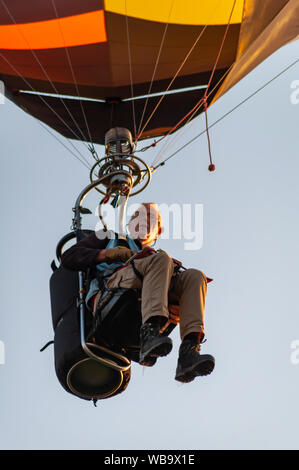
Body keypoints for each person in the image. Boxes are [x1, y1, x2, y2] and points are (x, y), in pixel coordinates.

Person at [61, 202, 215, 383]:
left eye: (150, 217)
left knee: (194, 277)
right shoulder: (111, 237)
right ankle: (149, 332)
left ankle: (189, 352)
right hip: (111, 295)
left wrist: (179, 306)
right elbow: (69, 257)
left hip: (139, 301)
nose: (143, 219)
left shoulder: (160, 262)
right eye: (137, 215)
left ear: (158, 231)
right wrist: (109, 254)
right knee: (161, 259)